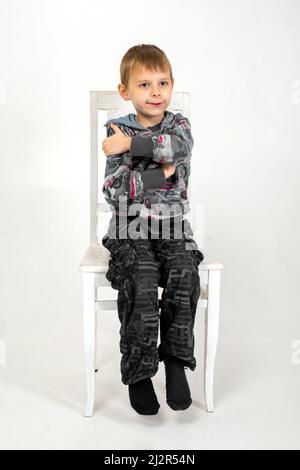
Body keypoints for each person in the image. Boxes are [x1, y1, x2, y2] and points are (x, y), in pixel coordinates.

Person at [101, 44, 204, 415]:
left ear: (172, 85)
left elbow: (179, 149)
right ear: (125, 91)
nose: (156, 91)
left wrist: (132, 147)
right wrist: (161, 174)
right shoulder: (116, 128)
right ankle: (140, 372)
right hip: (129, 227)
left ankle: (175, 361)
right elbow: (114, 190)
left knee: (184, 272)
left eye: (163, 83)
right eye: (144, 85)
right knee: (142, 277)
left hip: (173, 227)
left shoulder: (178, 126)